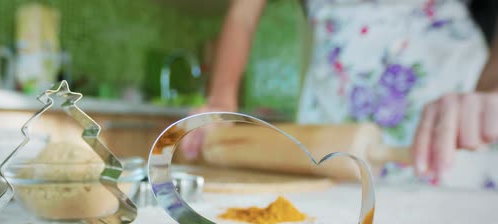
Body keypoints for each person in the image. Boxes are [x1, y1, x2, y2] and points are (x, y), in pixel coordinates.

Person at [180, 0, 498, 182]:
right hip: (336, 104)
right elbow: (243, 16)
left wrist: (490, 90)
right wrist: (221, 101)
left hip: (454, 95)